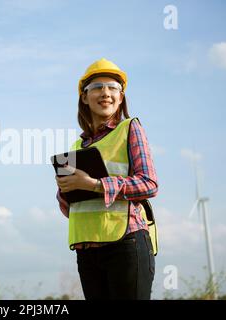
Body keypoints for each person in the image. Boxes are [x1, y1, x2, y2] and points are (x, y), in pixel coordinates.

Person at [55, 58, 159, 300]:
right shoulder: (76, 146)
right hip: (87, 249)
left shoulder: (130, 128)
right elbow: (70, 208)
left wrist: (94, 184)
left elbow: (149, 183)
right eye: (97, 87)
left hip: (126, 243)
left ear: (121, 98)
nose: (106, 93)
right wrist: (65, 190)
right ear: (84, 97)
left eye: (113, 88)